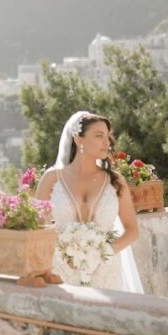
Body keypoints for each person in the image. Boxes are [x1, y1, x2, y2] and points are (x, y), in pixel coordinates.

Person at [34, 110, 144, 292]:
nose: (106, 143)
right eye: (99, 136)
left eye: (107, 137)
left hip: (106, 273)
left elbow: (132, 231)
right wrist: (63, 254)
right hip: (61, 270)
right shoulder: (52, 178)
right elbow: (37, 229)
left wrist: (101, 254)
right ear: (79, 139)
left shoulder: (115, 181)